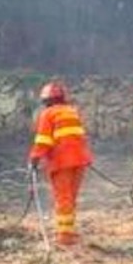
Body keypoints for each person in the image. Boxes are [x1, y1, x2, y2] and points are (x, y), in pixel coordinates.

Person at [30, 80, 94, 246]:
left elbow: (43, 140)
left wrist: (34, 158)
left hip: (62, 162)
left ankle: (65, 236)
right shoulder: (72, 111)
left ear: (47, 101)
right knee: (71, 197)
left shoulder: (48, 114)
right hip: (80, 161)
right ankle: (69, 231)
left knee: (63, 198)